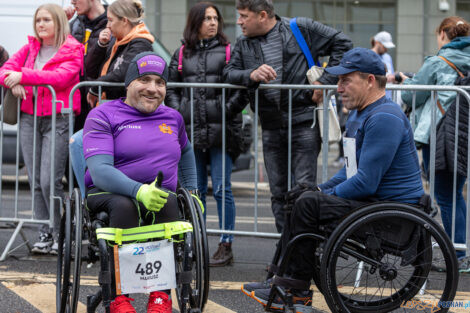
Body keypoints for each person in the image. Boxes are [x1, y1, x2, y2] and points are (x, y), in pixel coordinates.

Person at [242, 47, 424, 310]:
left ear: (370, 80)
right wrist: (316, 188)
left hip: (393, 216)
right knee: (300, 196)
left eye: (345, 80)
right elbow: (349, 172)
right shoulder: (360, 114)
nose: (338, 88)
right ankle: (279, 278)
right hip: (373, 202)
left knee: (309, 204)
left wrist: (319, 197)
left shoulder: (385, 117)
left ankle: (295, 290)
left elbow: (365, 182)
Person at [223, 0, 352, 232]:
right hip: (271, 127)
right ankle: (286, 250)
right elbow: (229, 73)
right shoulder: (243, 44)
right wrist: (250, 74)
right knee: (278, 193)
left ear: (262, 15)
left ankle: (304, 252)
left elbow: (343, 43)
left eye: (244, 16)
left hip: (304, 123)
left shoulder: (300, 27)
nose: (239, 21)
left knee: (303, 192)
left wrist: (325, 82)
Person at [84, 52, 197, 313]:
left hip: (157, 196)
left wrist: (193, 191)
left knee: (169, 201)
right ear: (129, 83)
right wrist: (138, 190)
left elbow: (187, 153)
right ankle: (118, 298)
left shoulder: (173, 118)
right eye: (144, 80)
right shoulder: (103, 115)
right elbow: (100, 170)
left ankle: (161, 296)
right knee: (124, 206)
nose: (152, 89)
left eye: (160, 82)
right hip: (107, 193)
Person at [166, 1, 247, 267]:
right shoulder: (180, 53)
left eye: (216, 18)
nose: (213, 23)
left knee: (223, 188)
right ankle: (196, 241)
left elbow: (240, 87)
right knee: (195, 190)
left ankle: (226, 244)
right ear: (196, 22)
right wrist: (181, 111)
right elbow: (170, 88)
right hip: (191, 132)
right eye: (207, 18)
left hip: (221, 132)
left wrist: (225, 110)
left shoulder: (228, 51)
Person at [0, 3, 84, 254]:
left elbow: (60, 77)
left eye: (46, 20)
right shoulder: (29, 48)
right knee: (35, 179)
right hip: (29, 117)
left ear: (58, 22)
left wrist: (22, 76)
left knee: (50, 180)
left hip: (58, 118)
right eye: (38, 21)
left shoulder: (73, 48)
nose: (41, 25)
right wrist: (12, 81)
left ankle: (60, 233)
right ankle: (44, 235)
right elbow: (5, 69)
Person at [399, 16, 470, 271]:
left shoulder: (438, 61)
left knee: (444, 195)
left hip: (440, 135)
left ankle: (457, 256)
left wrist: (405, 81)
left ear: (443, 34)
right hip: (464, 134)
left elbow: (411, 95)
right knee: (455, 193)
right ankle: (460, 250)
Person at [69, 0, 154, 198]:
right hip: (112, 111)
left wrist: (96, 87)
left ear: (124, 21)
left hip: (127, 115)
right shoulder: (118, 41)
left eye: (111, 21)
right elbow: (89, 68)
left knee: (79, 143)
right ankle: (90, 197)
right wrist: (101, 44)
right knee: (78, 143)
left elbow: (123, 73)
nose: (107, 26)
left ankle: (89, 198)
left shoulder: (140, 42)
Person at [65, 0, 107, 131]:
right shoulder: (74, 24)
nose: (72, 2)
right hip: (75, 100)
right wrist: (61, 22)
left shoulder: (113, 22)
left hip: (98, 98)